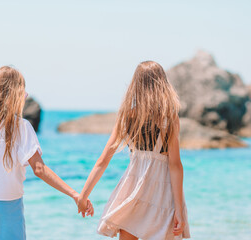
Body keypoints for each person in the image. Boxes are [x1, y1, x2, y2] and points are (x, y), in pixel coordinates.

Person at [0, 66, 93, 240]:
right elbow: (39, 169)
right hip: (7, 207)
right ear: (15, 96)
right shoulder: (20, 127)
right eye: (23, 94)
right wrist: (75, 194)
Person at [77, 61, 190, 240]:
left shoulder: (126, 116)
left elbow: (103, 160)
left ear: (135, 85)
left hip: (133, 188)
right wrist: (178, 210)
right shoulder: (169, 118)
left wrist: (83, 196)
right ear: (162, 84)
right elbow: (175, 166)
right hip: (161, 193)